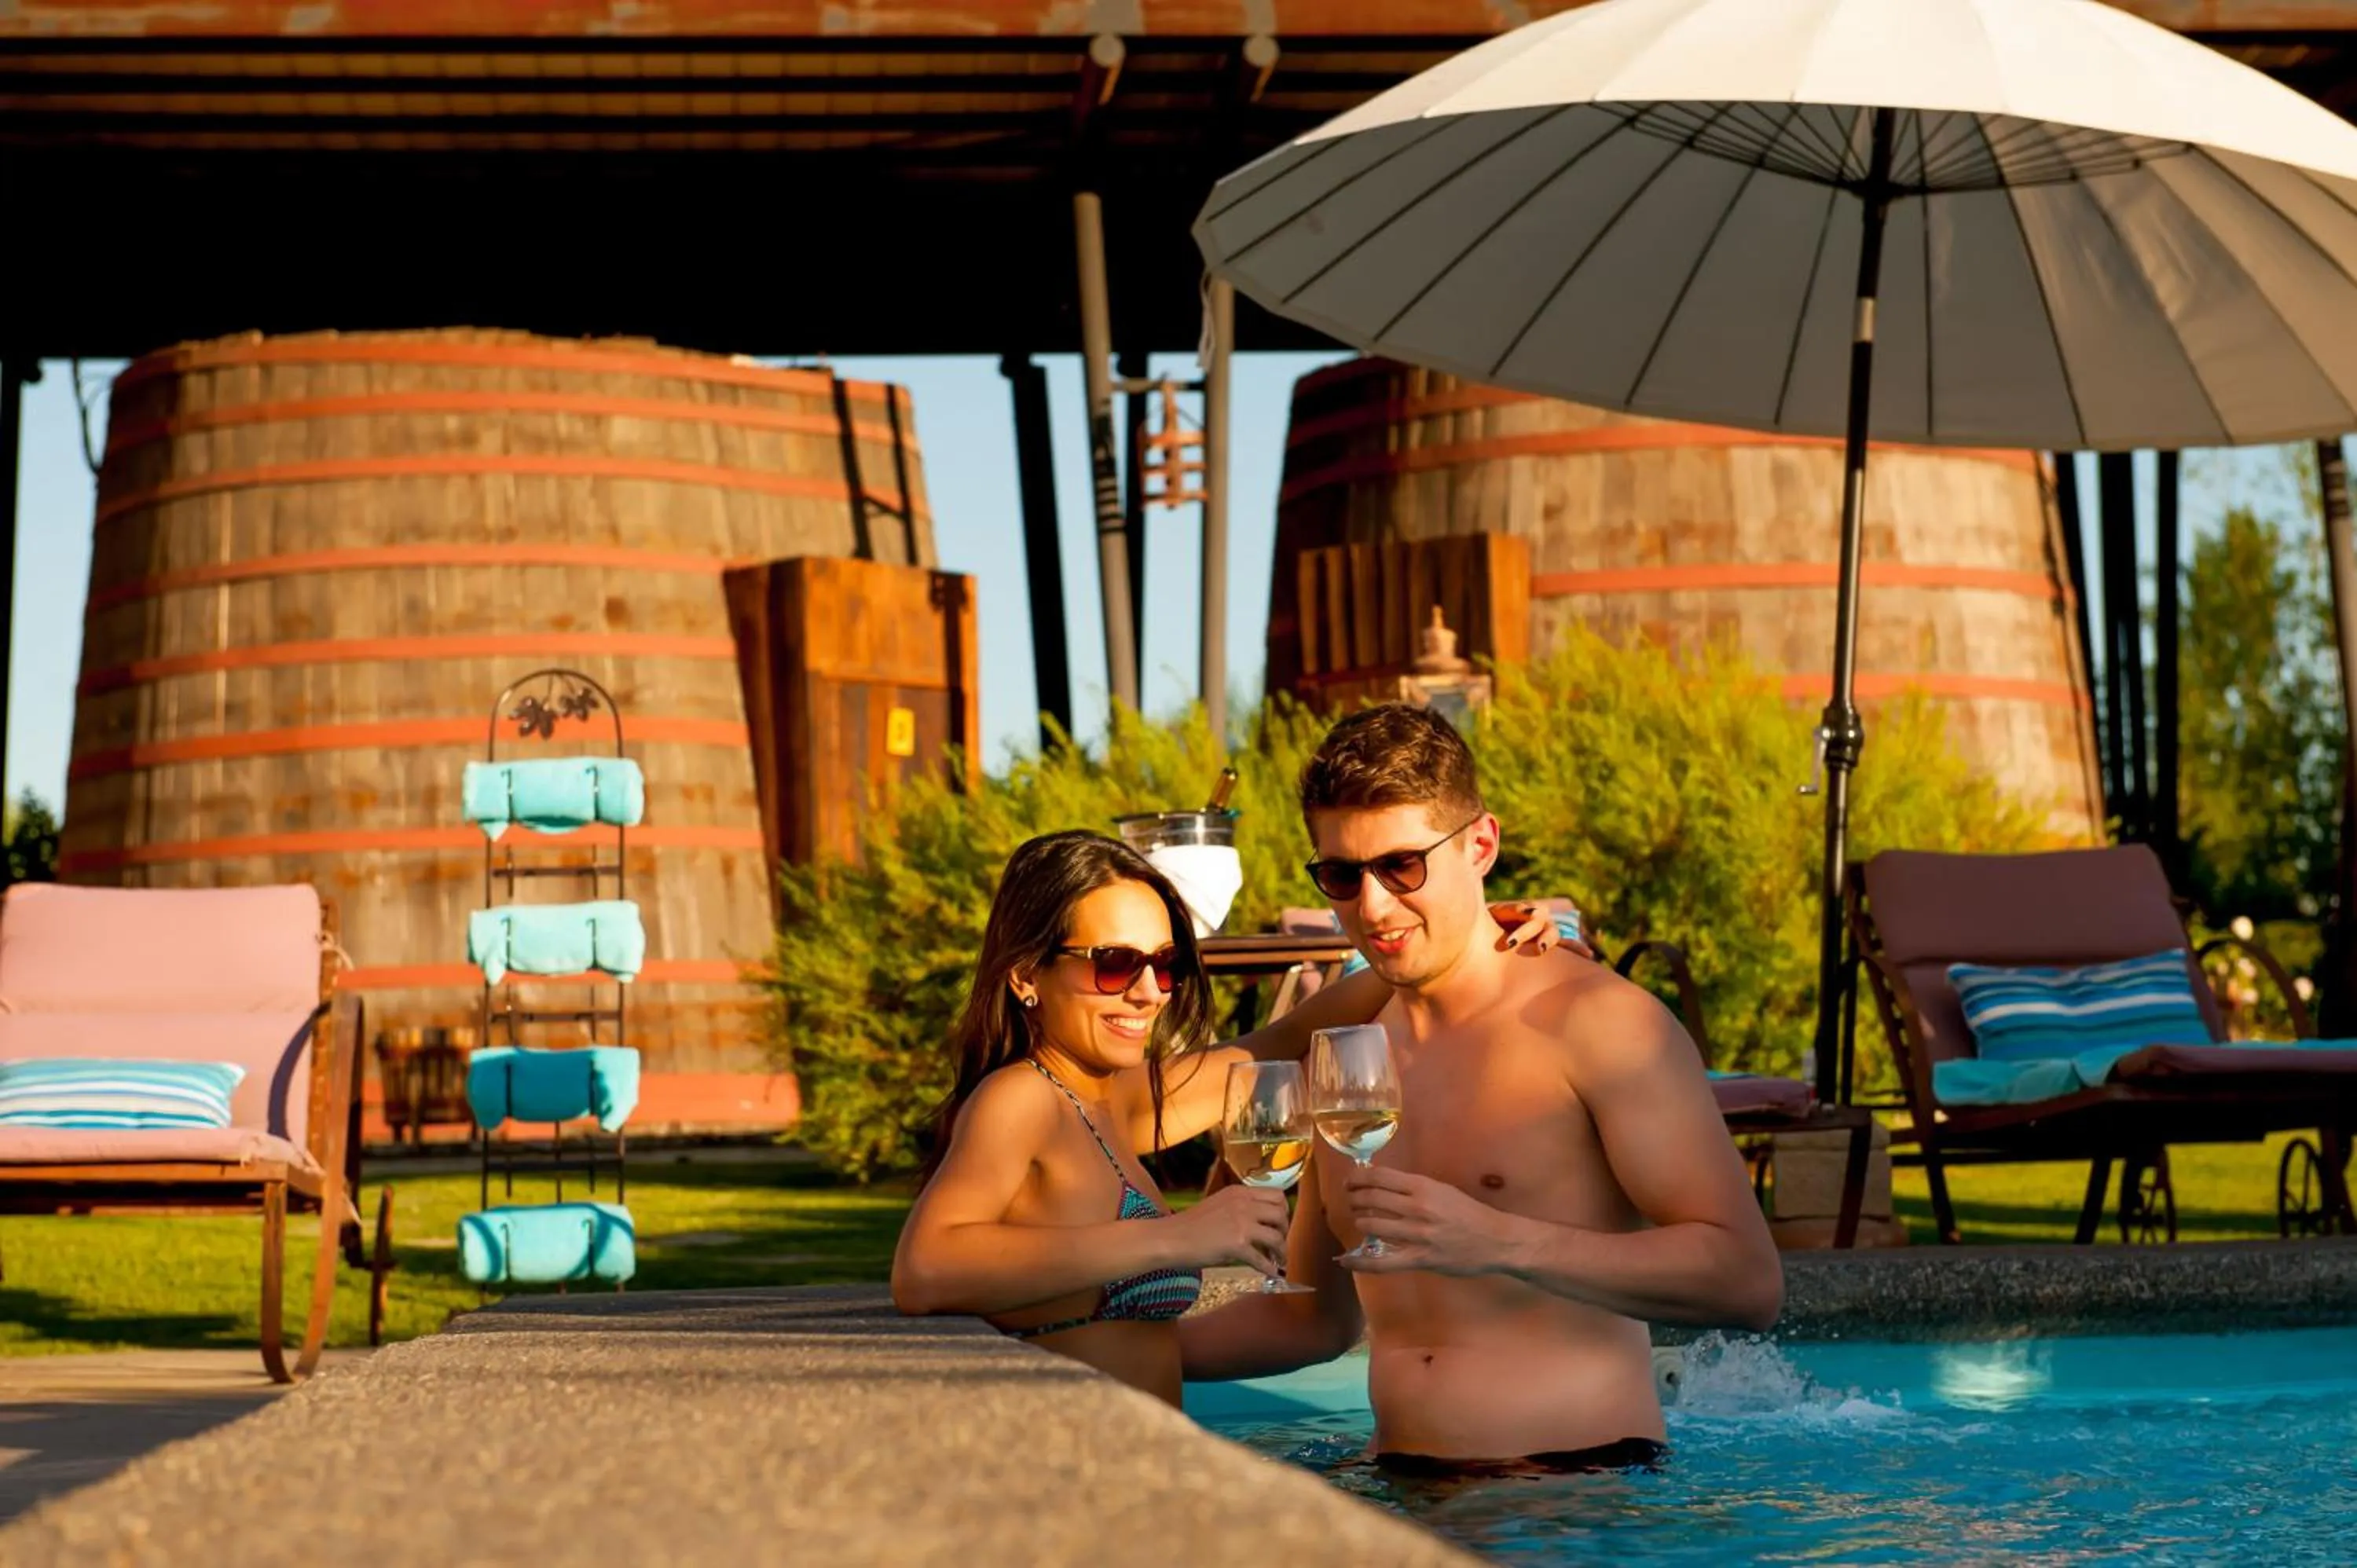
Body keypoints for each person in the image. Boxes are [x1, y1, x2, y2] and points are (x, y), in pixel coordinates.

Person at [1181, 705, 1782, 1471]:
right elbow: (1315, 1320)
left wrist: (1501, 1241)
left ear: (1480, 844)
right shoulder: (1340, 1060)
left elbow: (1748, 1280)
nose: (1372, 906)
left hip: (1571, 1498)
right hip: (1394, 1485)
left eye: (1403, 865)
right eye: (1341, 874)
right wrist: (1119, 1348)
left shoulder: (1597, 1024)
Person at [891, 828, 1561, 1407]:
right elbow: (927, 1269)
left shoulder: (1104, 1098)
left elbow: (1285, 1040)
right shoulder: (1021, 1098)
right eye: (1115, 964)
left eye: (1165, 963)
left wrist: (1457, 936)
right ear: (1025, 976)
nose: (1149, 992)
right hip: (1076, 1483)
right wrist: (1180, 1238)